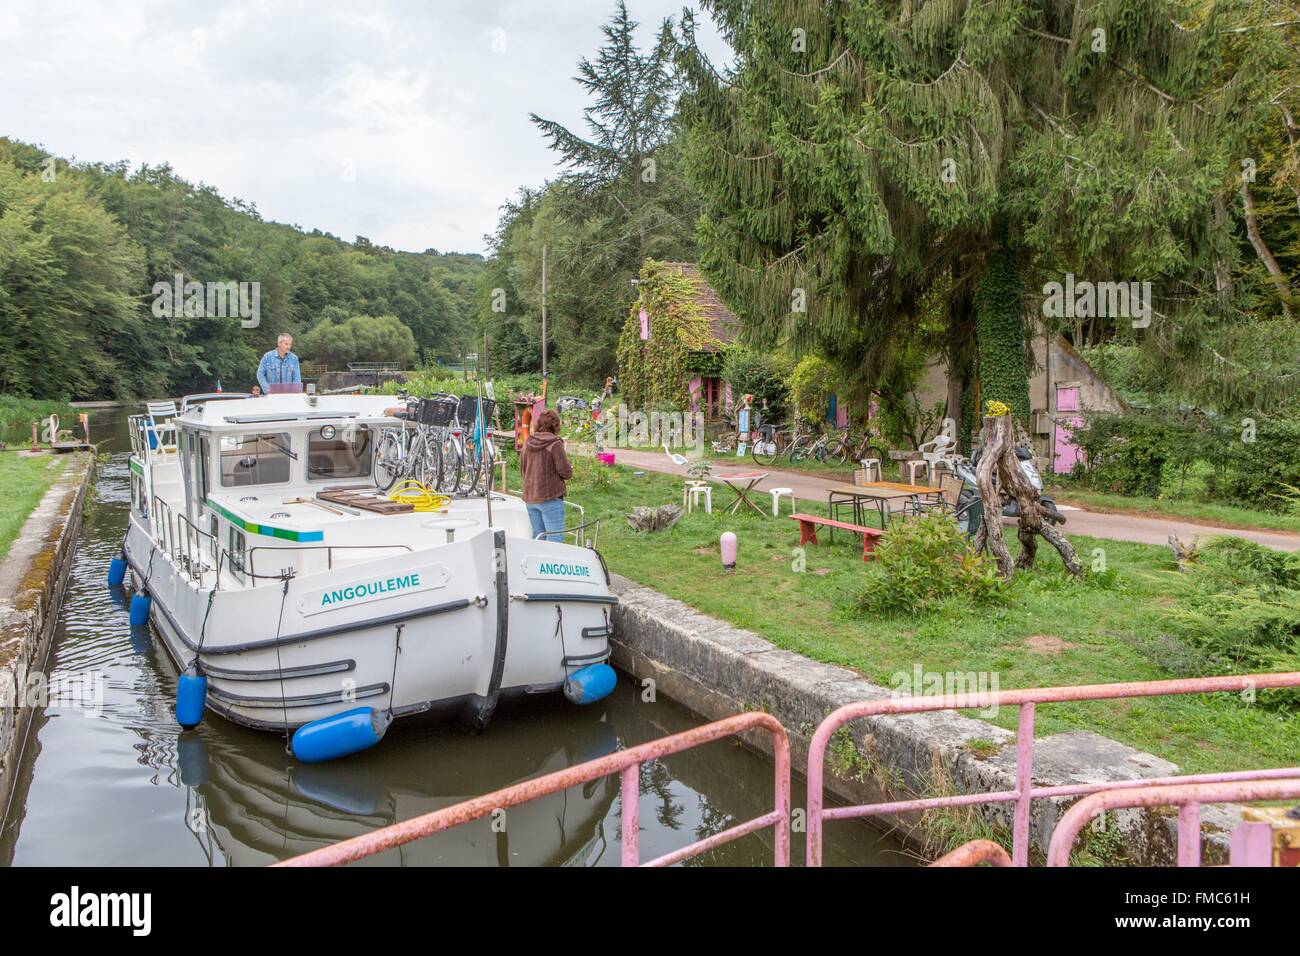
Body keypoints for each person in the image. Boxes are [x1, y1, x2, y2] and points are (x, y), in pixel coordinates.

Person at [520, 408, 572, 542]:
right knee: (555, 539)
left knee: (538, 538)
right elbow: (566, 472)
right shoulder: (555, 444)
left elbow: (522, 470)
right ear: (556, 425)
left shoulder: (528, 442)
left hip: (531, 496)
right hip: (550, 497)